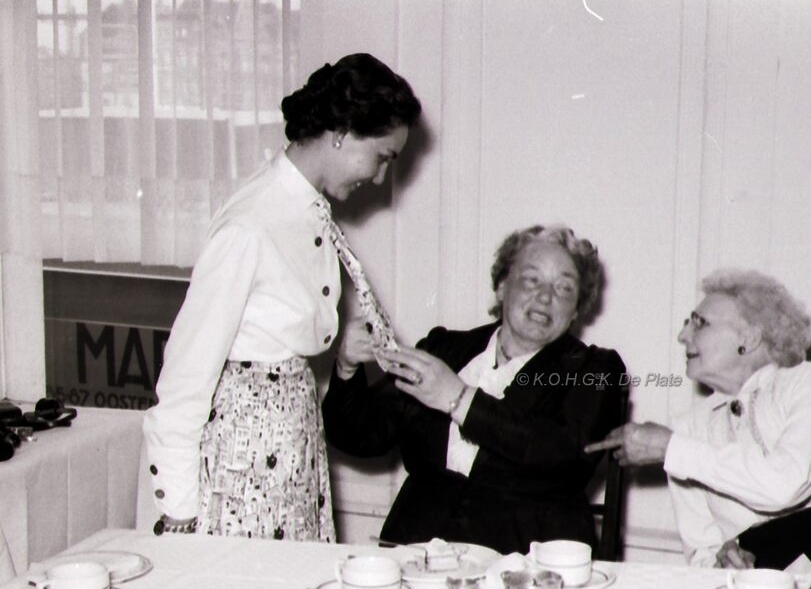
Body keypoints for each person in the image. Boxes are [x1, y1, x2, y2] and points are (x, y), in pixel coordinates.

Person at [142, 53, 421, 540]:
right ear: (342, 132)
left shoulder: (306, 209)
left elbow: (272, 329)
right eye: (382, 158)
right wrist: (181, 512)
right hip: (241, 470)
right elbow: (185, 378)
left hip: (290, 455)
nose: (379, 178)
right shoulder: (251, 224)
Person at [322, 224, 626, 554]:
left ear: (577, 309)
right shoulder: (443, 349)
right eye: (531, 279)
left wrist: (459, 399)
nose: (545, 296)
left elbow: (564, 458)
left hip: (527, 561)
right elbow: (359, 436)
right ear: (501, 287)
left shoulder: (595, 369)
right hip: (416, 553)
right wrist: (347, 367)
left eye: (564, 288)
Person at [600, 269, 811, 571]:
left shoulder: (810, 383)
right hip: (769, 583)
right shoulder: (689, 429)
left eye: (700, 323)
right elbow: (703, 553)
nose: (683, 336)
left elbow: (784, 485)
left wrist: (671, 449)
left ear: (749, 337)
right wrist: (725, 562)